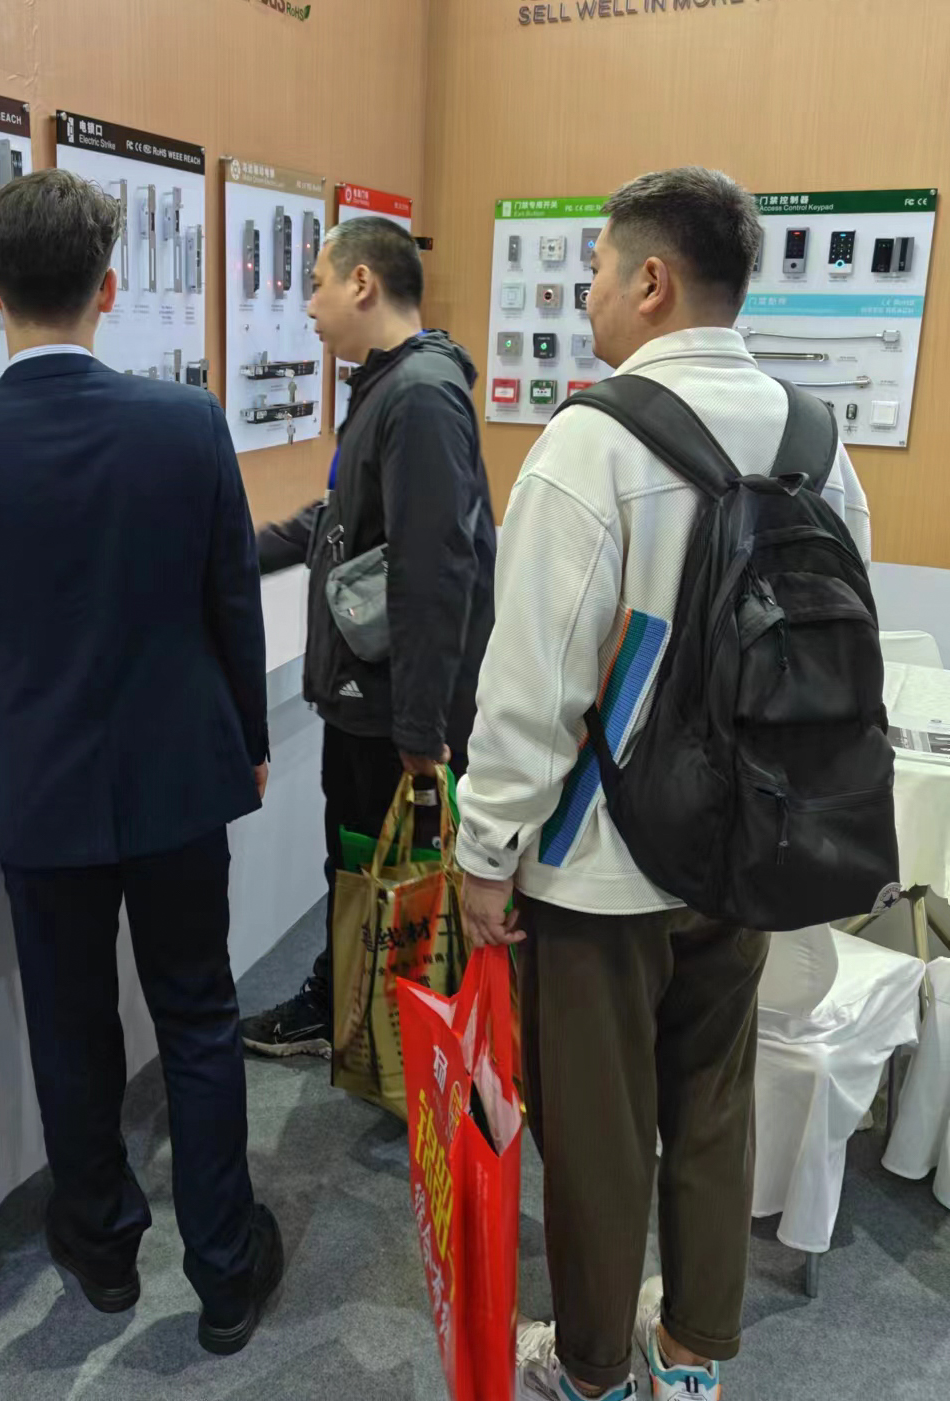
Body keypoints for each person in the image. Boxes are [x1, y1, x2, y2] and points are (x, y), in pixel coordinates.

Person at [456, 168, 871, 1401]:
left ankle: (589, 1369)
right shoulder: (815, 441)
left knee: (596, 1126)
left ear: (650, 280)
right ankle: (690, 1357)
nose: (582, 294)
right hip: (751, 842)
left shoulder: (592, 440)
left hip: (603, 859)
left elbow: (535, 681)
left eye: (593, 269)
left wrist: (485, 853)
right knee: (712, 1100)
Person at [0, 169, 283, 1356]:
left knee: (70, 1030)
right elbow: (231, 600)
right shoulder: (186, 423)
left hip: (39, 783)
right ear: (110, 289)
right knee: (199, 1016)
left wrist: (6, 752)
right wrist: (247, 742)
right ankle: (225, 1271)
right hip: (181, 775)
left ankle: (103, 1253)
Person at [242, 216, 496, 1058]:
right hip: (369, 697)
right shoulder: (390, 388)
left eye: (315, 284)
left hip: (392, 711)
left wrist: (420, 729)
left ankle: (405, 1050)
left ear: (361, 282)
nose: (307, 306)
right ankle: (351, 1011)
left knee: (397, 883)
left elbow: (434, 568)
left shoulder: (418, 396)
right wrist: (232, 552)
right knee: (358, 870)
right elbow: (341, 518)